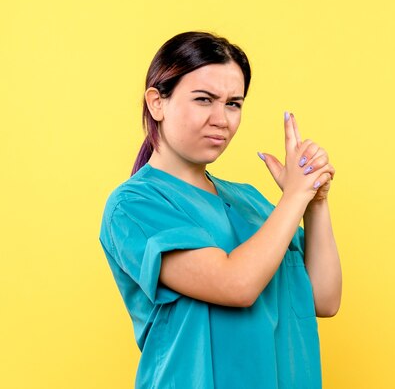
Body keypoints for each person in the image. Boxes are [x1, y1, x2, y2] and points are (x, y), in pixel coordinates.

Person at [98, 31, 342, 389]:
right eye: (204, 99)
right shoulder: (134, 205)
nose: (222, 119)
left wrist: (314, 201)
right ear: (157, 103)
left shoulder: (251, 201)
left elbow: (324, 298)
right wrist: (293, 196)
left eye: (233, 103)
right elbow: (236, 284)